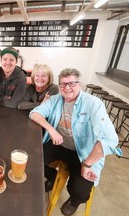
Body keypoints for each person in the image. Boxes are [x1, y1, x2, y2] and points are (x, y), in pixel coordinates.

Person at [29, 68, 122, 216]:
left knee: (80, 189)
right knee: (32, 159)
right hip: (59, 145)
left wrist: (87, 164)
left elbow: (110, 140)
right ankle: (51, 175)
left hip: (84, 153)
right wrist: (51, 129)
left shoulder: (93, 104)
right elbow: (35, 113)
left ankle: (74, 201)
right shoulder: (55, 99)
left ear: (80, 84)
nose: (67, 88)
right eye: (63, 84)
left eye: (72, 83)